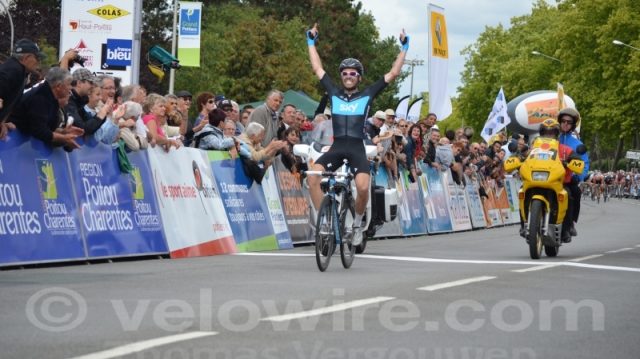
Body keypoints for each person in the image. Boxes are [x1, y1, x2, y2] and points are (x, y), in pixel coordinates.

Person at [305, 22, 408, 246]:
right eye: (345, 73)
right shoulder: (333, 93)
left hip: (356, 148)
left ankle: (358, 224)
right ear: (341, 76)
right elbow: (317, 68)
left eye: (353, 73)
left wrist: (404, 49)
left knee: (362, 187)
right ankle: (324, 221)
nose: (348, 76)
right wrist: (311, 42)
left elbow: (393, 73)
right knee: (312, 178)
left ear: (359, 78)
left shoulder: (367, 95)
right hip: (337, 147)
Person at [8, 67, 84, 150]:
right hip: (10, 143)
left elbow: (47, 128)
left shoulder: (51, 97)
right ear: (58, 86)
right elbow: (39, 131)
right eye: (69, 84)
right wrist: (64, 138)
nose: (71, 88)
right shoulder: (39, 98)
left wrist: (63, 131)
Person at [535, 118, 583, 242]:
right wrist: (519, 157)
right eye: (545, 132)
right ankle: (524, 224)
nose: (548, 135)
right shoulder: (534, 147)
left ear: (556, 135)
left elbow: (577, 159)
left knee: (569, 195)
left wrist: (572, 161)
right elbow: (525, 156)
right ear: (541, 134)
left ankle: (566, 228)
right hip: (537, 181)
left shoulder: (565, 149)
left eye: (551, 133)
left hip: (559, 183)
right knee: (521, 190)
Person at [0, 39, 46, 139]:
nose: (39, 62)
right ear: (27, 58)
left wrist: (2, 122)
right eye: (37, 58)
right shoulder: (13, 70)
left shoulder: (19, 71)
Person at [557, 108, 589, 236]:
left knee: (575, 192)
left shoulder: (577, 144)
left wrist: (578, 176)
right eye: (563, 121)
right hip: (549, 177)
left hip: (568, 179)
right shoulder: (551, 139)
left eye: (568, 122)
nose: (565, 124)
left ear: (572, 125)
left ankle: (570, 224)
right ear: (559, 122)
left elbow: (584, 163)